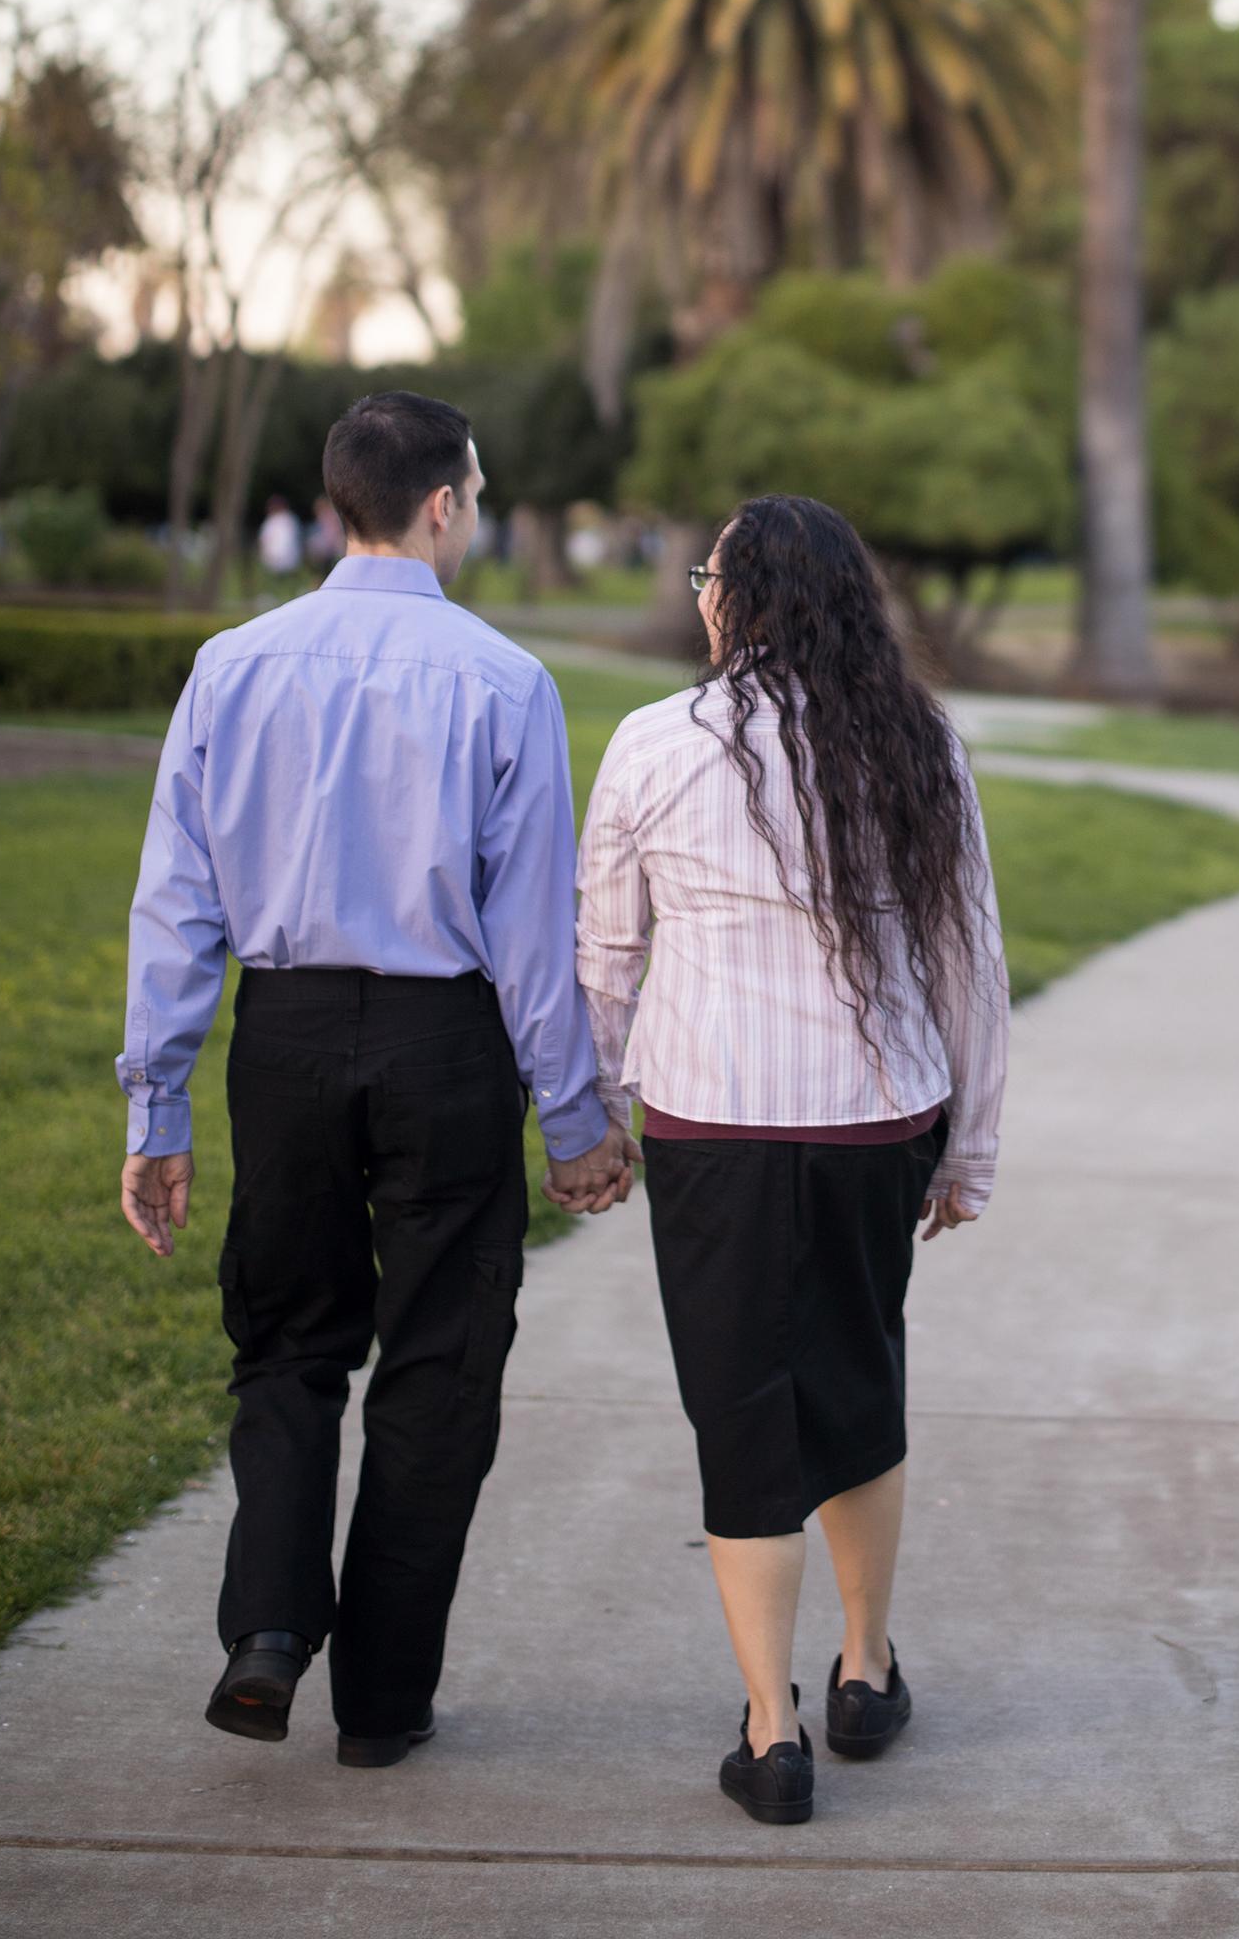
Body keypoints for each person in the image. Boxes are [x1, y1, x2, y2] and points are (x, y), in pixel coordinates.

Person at [118, 391, 632, 1768]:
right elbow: (532, 932)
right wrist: (577, 1123)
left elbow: (176, 900)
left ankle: (271, 1628)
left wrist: (155, 1103)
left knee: (287, 1341)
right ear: (446, 504)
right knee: (440, 1361)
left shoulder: (232, 665)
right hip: (444, 1048)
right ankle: (385, 1701)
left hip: (280, 1040)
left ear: (341, 499)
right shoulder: (503, 682)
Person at [576, 494, 1010, 1828]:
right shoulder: (916, 739)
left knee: (740, 1408)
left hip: (713, 1130)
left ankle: (773, 1737)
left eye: (711, 573)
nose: (701, 591)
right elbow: (967, 959)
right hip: (879, 1123)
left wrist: (588, 1115)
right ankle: (865, 1674)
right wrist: (971, 1146)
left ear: (734, 600)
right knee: (857, 1378)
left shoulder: (655, 744)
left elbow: (604, 955)